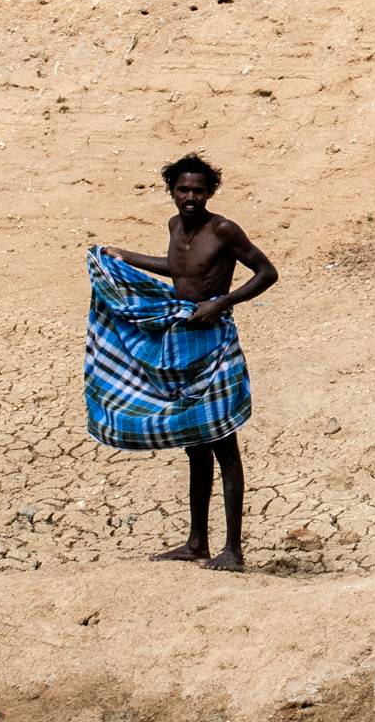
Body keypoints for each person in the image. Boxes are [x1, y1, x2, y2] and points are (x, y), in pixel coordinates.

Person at [86, 154, 279, 571]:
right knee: (195, 445)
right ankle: (197, 542)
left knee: (223, 443)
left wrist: (222, 302)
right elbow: (178, 270)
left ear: (210, 193)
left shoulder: (223, 229)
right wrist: (124, 256)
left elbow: (267, 272)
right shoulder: (175, 226)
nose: (190, 197)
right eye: (183, 190)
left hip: (214, 342)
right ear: (172, 191)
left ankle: (233, 550)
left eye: (198, 190)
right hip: (182, 343)